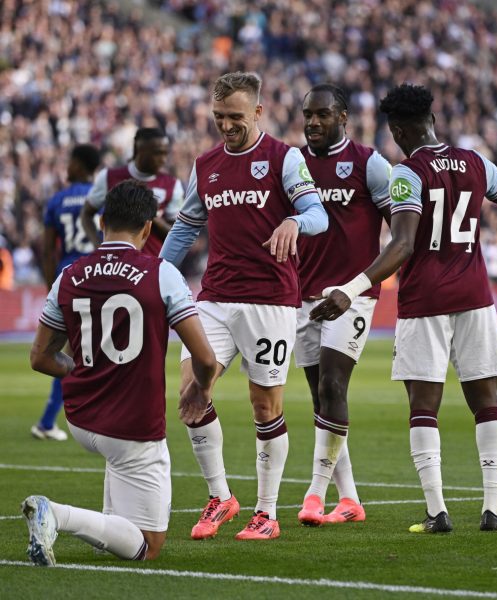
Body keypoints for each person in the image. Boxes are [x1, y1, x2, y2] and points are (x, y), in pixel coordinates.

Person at [310, 83, 497, 533]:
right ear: (431, 119)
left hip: (425, 300)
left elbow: (403, 244)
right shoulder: (475, 161)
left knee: (423, 407)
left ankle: (437, 513)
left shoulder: (407, 173)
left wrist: (350, 288)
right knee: (487, 402)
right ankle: (493, 510)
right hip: (475, 296)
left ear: (397, 131)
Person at [159, 71, 328, 541]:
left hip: (270, 301)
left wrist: (295, 221)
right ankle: (220, 497)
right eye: (218, 116)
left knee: (264, 405)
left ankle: (267, 513)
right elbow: (185, 228)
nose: (226, 125)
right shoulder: (205, 165)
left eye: (235, 116)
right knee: (191, 393)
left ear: (257, 112)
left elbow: (318, 215)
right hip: (214, 298)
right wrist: (153, 273)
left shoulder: (284, 158)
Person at [22, 180, 216, 566]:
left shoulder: (69, 275)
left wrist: (79, 369)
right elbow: (206, 359)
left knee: (119, 498)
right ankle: (54, 513)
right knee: (148, 545)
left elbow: (40, 357)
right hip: (133, 423)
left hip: (81, 418)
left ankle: (100, 526)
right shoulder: (161, 274)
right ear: (147, 228)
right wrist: (202, 388)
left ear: (102, 221)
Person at [294, 84, 392, 526]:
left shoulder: (370, 164)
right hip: (303, 295)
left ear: (343, 117)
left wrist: (358, 286)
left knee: (333, 386)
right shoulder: (293, 164)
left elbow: (402, 231)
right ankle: (349, 499)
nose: (313, 122)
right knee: (321, 397)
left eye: (322, 114)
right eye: (308, 115)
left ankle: (314, 494)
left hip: (352, 295)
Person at [32, 144, 101, 442]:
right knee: (88, 352)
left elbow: (48, 250)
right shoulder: (101, 198)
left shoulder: (57, 200)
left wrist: (52, 289)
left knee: (67, 352)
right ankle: (60, 419)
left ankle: (51, 420)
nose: (66, 167)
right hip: (97, 279)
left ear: (81, 165)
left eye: (71, 161)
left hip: (67, 281)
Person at [81, 127, 184, 257]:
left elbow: (176, 236)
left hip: (151, 263)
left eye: (165, 153)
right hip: (116, 262)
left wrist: (149, 214)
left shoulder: (173, 185)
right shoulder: (108, 177)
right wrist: (98, 246)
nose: (163, 159)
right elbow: (86, 214)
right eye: (157, 153)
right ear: (140, 149)